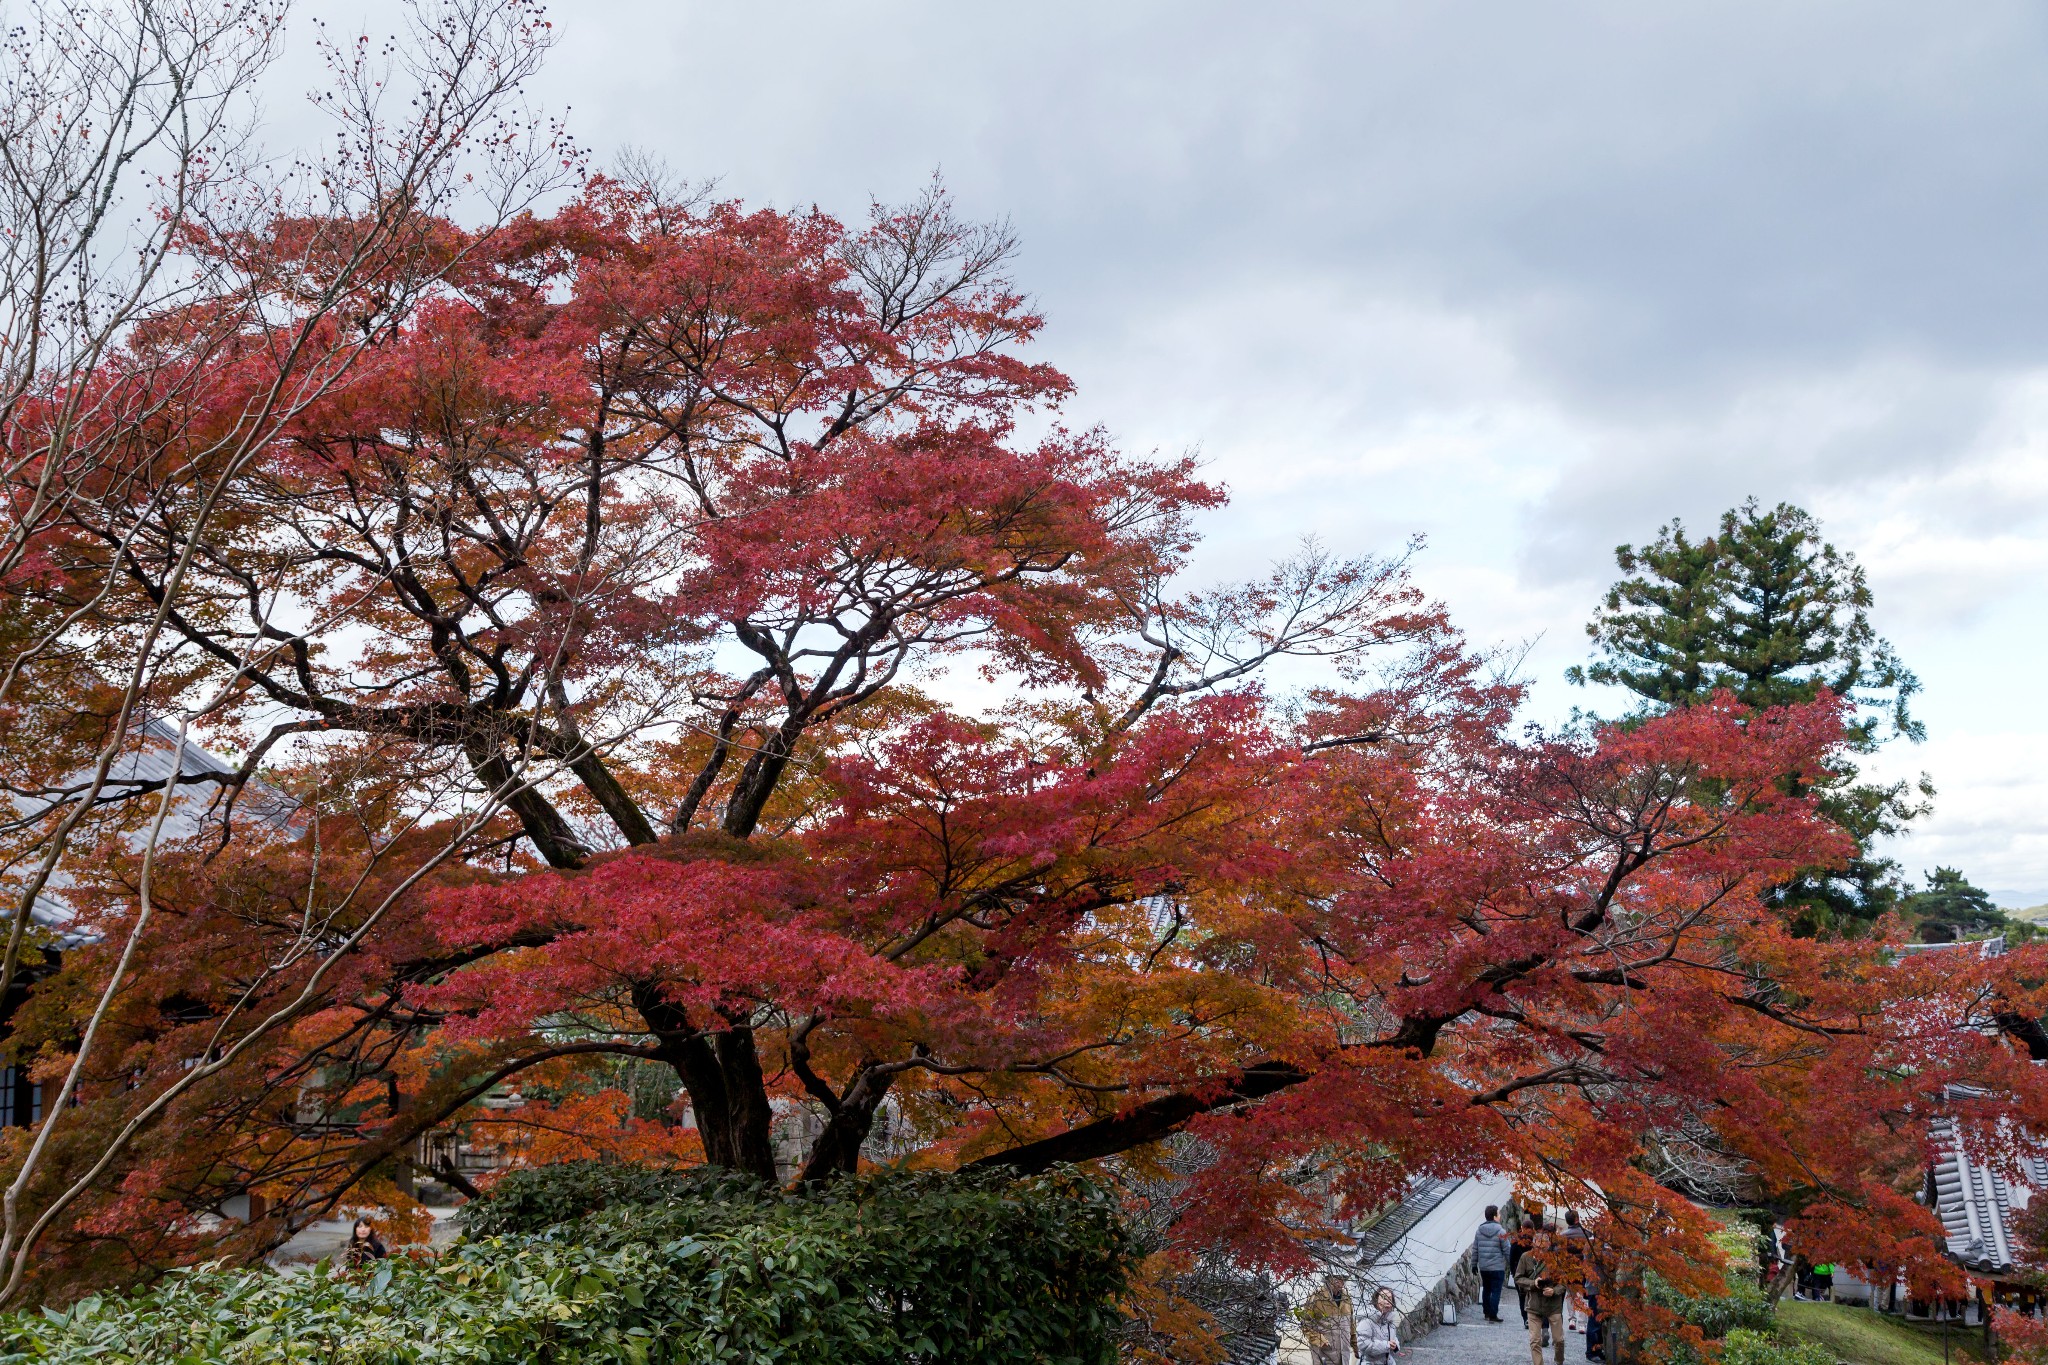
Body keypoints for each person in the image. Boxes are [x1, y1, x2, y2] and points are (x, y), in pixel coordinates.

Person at [1515, 1229, 1569, 1365]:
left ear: (1548, 1245)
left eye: (1543, 1247)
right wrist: (1533, 1283)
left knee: (1559, 1340)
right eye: (1538, 1246)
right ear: (1533, 1244)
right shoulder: (1525, 1257)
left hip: (1553, 1304)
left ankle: (1559, 1361)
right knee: (1535, 1340)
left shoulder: (1556, 1259)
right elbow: (1518, 1278)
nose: (1540, 1249)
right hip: (1534, 1304)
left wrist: (1554, 1290)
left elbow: (1563, 1283)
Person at [1300, 1274, 1357, 1365]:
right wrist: (1321, 1341)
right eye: (1337, 1280)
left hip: (1344, 1356)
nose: (1340, 1283)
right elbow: (1305, 1324)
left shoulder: (1346, 1298)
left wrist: (1355, 1346)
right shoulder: (1317, 1297)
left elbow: (1351, 1325)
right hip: (1324, 1354)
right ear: (1328, 1279)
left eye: (1343, 1280)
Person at [1474, 1204, 1512, 1323]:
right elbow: (1507, 1250)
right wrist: (1513, 1264)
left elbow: (1475, 1249)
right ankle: (1493, 1314)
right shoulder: (1501, 1231)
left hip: (1484, 1267)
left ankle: (1486, 1312)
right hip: (1497, 1266)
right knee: (1496, 1290)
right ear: (1495, 1216)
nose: (1500, 1216)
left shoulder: (1479, 1231)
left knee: (1486, 1289)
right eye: (1499, 1214)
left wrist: (1473, 1264)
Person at [1358, 1286, 1401, 1364]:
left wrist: (1395, 1345)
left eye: (1390, 1298)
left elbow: (1394, 1338)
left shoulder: (1389, 1320)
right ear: (1376, 1300)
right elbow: (1363, 1345)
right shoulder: (1367, 1321)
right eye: (1384, 1297)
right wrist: (1386, 1345)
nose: (1387, 1301)